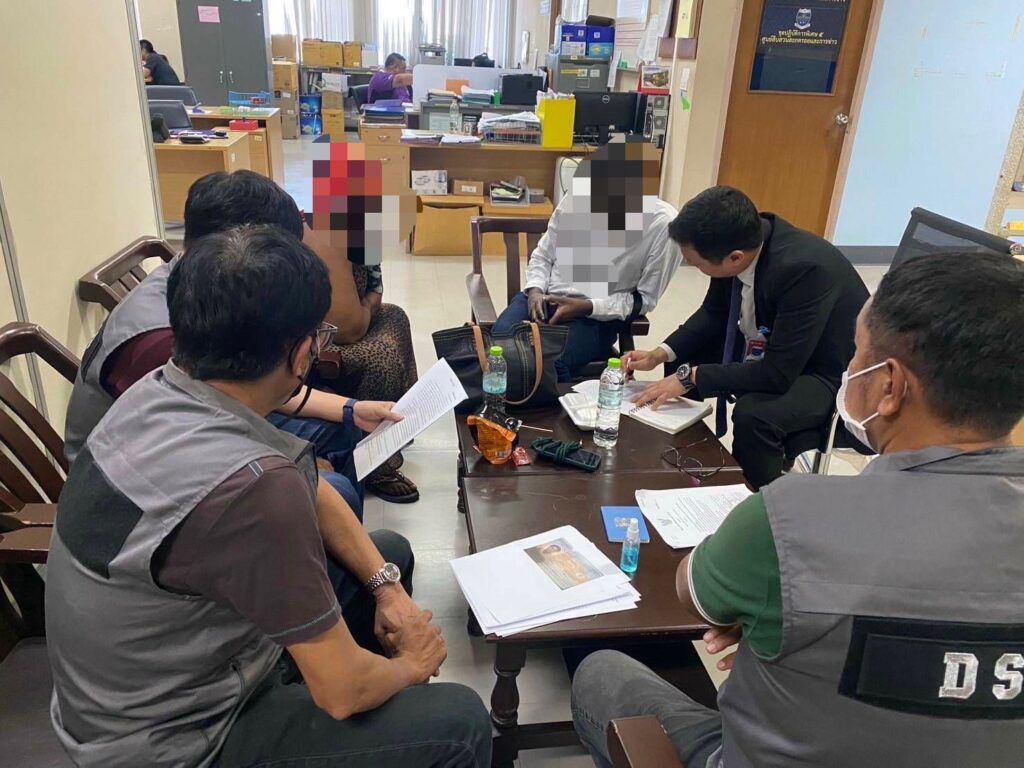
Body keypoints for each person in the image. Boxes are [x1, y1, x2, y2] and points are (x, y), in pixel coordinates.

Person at [46, 225, 491, 768]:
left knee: (385, 555)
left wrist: (388, 589)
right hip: (178, 741)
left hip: (134, 689)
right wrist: (411, 666)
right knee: (460, 721)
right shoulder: (253, 488)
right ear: (302, 354)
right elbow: (342, 692)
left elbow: (315, 495)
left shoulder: (164, 388)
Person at [572, 251, 1024, 768]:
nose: (848, 370)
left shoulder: (793, 518)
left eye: (855, 355)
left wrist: (768, 606)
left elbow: (691, 593)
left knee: (601, 673)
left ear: (889, 386)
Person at [63, 170, 399, 518]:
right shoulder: (162, 340)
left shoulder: (208, 291)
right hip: (143, 483)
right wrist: (301, 469)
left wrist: (351, 409)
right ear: (235, 248)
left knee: (345, 436)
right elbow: (202, 436)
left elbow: (248, 387)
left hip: (198, 431)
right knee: (334, 489)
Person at [623, 186, 869, 489]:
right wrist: (660, 353)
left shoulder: (805, 270)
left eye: (697, 264)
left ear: (735, 258)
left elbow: (777, 374)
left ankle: (757, 499)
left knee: (755, 414)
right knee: (684, 357)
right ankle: (683, 458)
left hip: (832, 374)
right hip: (778, 346)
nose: (695, 269)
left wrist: (693, 376)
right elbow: (714, 312)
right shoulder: (741, 241)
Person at [491, 139, 679, 382]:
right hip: (544, 298)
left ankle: (558, 407)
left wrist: (586, 306)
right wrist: (535, 290)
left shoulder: (663, 226)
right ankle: (501, 404)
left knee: (549, 361)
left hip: (595, 317)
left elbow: (644, 300)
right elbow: (543, 254)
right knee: (499, 346)